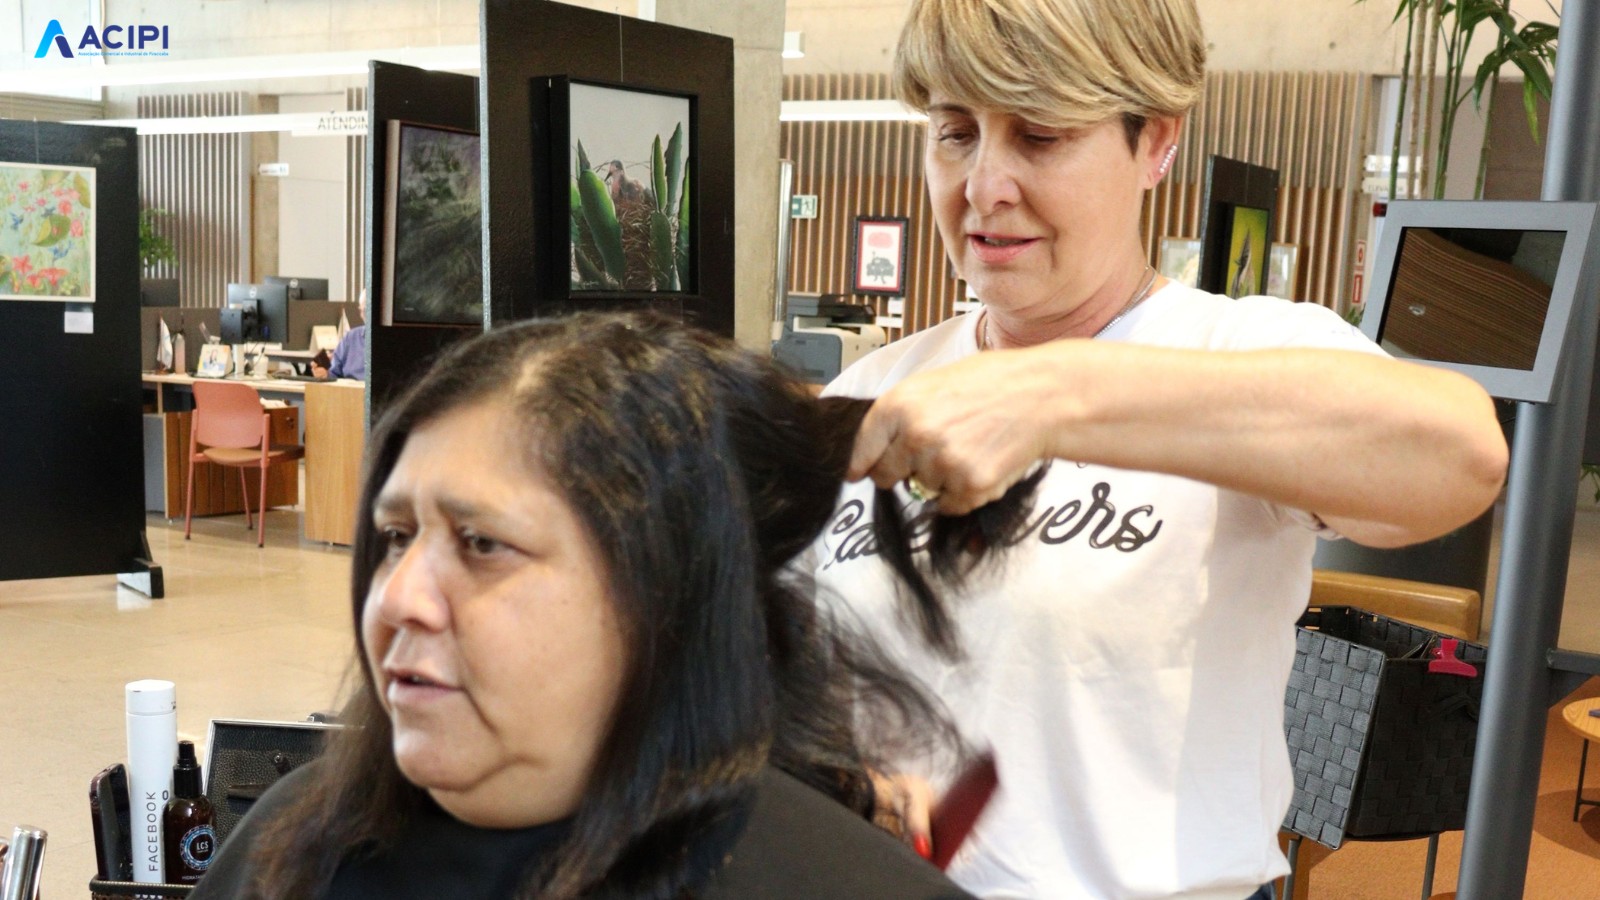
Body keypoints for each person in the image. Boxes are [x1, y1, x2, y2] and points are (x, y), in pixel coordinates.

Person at [806, 0, 1510, 897]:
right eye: (955, 133)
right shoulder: (873, 391)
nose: (983, 186)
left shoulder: (1242, 348)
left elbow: (1456, 456)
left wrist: (1055, 393)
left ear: (1156, 144)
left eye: (1041, 135)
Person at [192, 312, 990, 900]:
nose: (399, 598)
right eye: (397, 536)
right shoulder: (284, 852)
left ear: (664, 589)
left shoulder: (839, 881)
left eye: (482, 544)